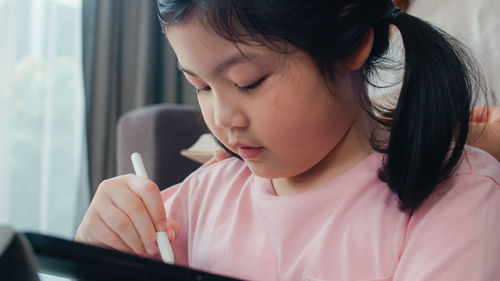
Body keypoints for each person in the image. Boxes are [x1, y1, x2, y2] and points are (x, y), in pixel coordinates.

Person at [76, 1, 500, 280]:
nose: (223, 119)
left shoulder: (458, 199)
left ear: (351, 44)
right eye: (202, 86)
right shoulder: (201, 198)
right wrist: (96, 247)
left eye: (250, 82)